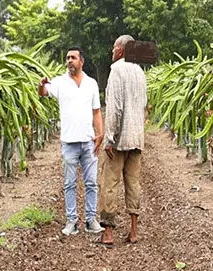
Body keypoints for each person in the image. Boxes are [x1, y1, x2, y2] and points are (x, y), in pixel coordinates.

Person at [38, 47, 105, 236]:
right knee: (69, 183)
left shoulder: (91, 84)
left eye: (73, 58)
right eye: (67, 58)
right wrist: (41, 84)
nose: (69, 61)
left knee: (91, 182)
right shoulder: (60, 82)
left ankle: (91, 220)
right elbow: (43, 93)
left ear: (81, 61)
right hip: (69, 142)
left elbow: (96, 112)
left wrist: (100, 134)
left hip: (88, 140)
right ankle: (71, 221)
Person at [99, 35, 147, 246]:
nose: (112, 52)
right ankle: (133, 231)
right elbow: (144, 104)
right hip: (136, 136)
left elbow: (115, 107)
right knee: (133, 183)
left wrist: (109, 138)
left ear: (121, 50)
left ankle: (108, 233)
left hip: (119, 139)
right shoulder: (139, 71)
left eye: (114, 48)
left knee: (109, 183)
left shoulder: (117, 70)